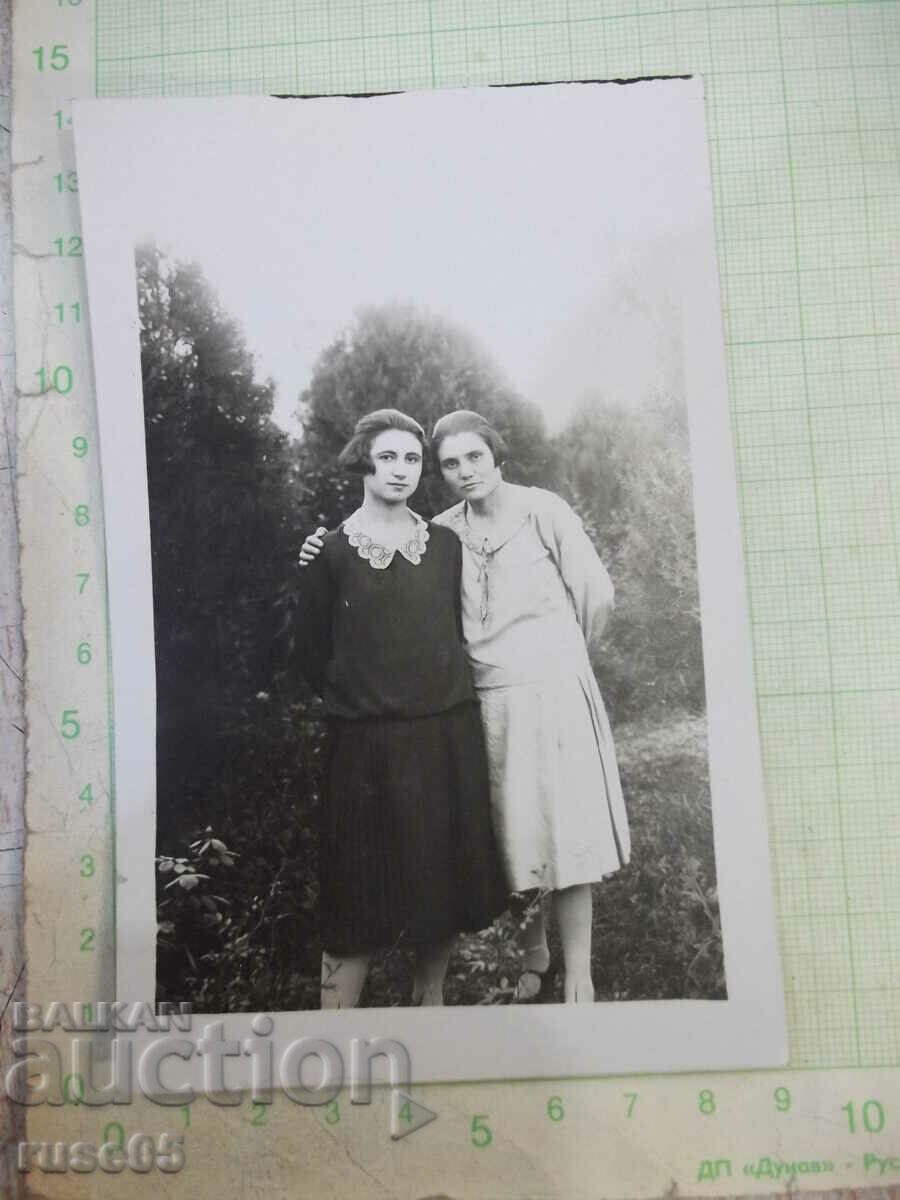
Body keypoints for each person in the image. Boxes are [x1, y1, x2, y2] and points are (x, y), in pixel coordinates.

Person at [301, 409, 630, 1005]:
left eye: (473, 457)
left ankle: (577, 973)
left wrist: (561, 661)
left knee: (561, 832)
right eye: (450, 463)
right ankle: (536, 955)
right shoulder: (443, 530)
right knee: (509, 833)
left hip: (547, 692)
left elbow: (594, 595)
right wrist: (317, 551)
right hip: (478, 702)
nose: (463, 471)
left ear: (496, 455)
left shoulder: (533, 513)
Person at [294, 409, 506, 1009]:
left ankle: (429, 1004)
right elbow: (310, 657)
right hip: (365, 750)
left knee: (441, 888)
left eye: (413, 459)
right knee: (356, 899)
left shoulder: (445, 545)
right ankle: (333, 1035)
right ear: (364, 460)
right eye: (388, 457)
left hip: (443, 739)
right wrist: (367, 699)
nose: (401, 470)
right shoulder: (329, 553)